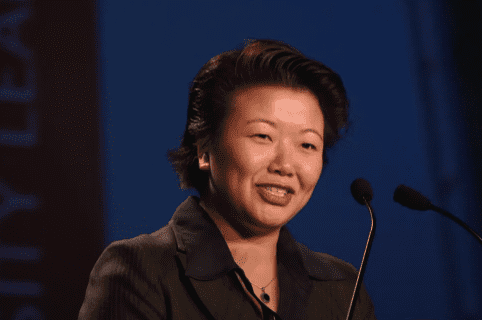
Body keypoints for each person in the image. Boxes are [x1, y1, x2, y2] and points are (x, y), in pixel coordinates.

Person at [79, 39, 376, 319]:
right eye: (263, 136)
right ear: (205, 149)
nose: (286, 166)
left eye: (307, 145)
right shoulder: (140, 271)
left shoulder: (342, 288)